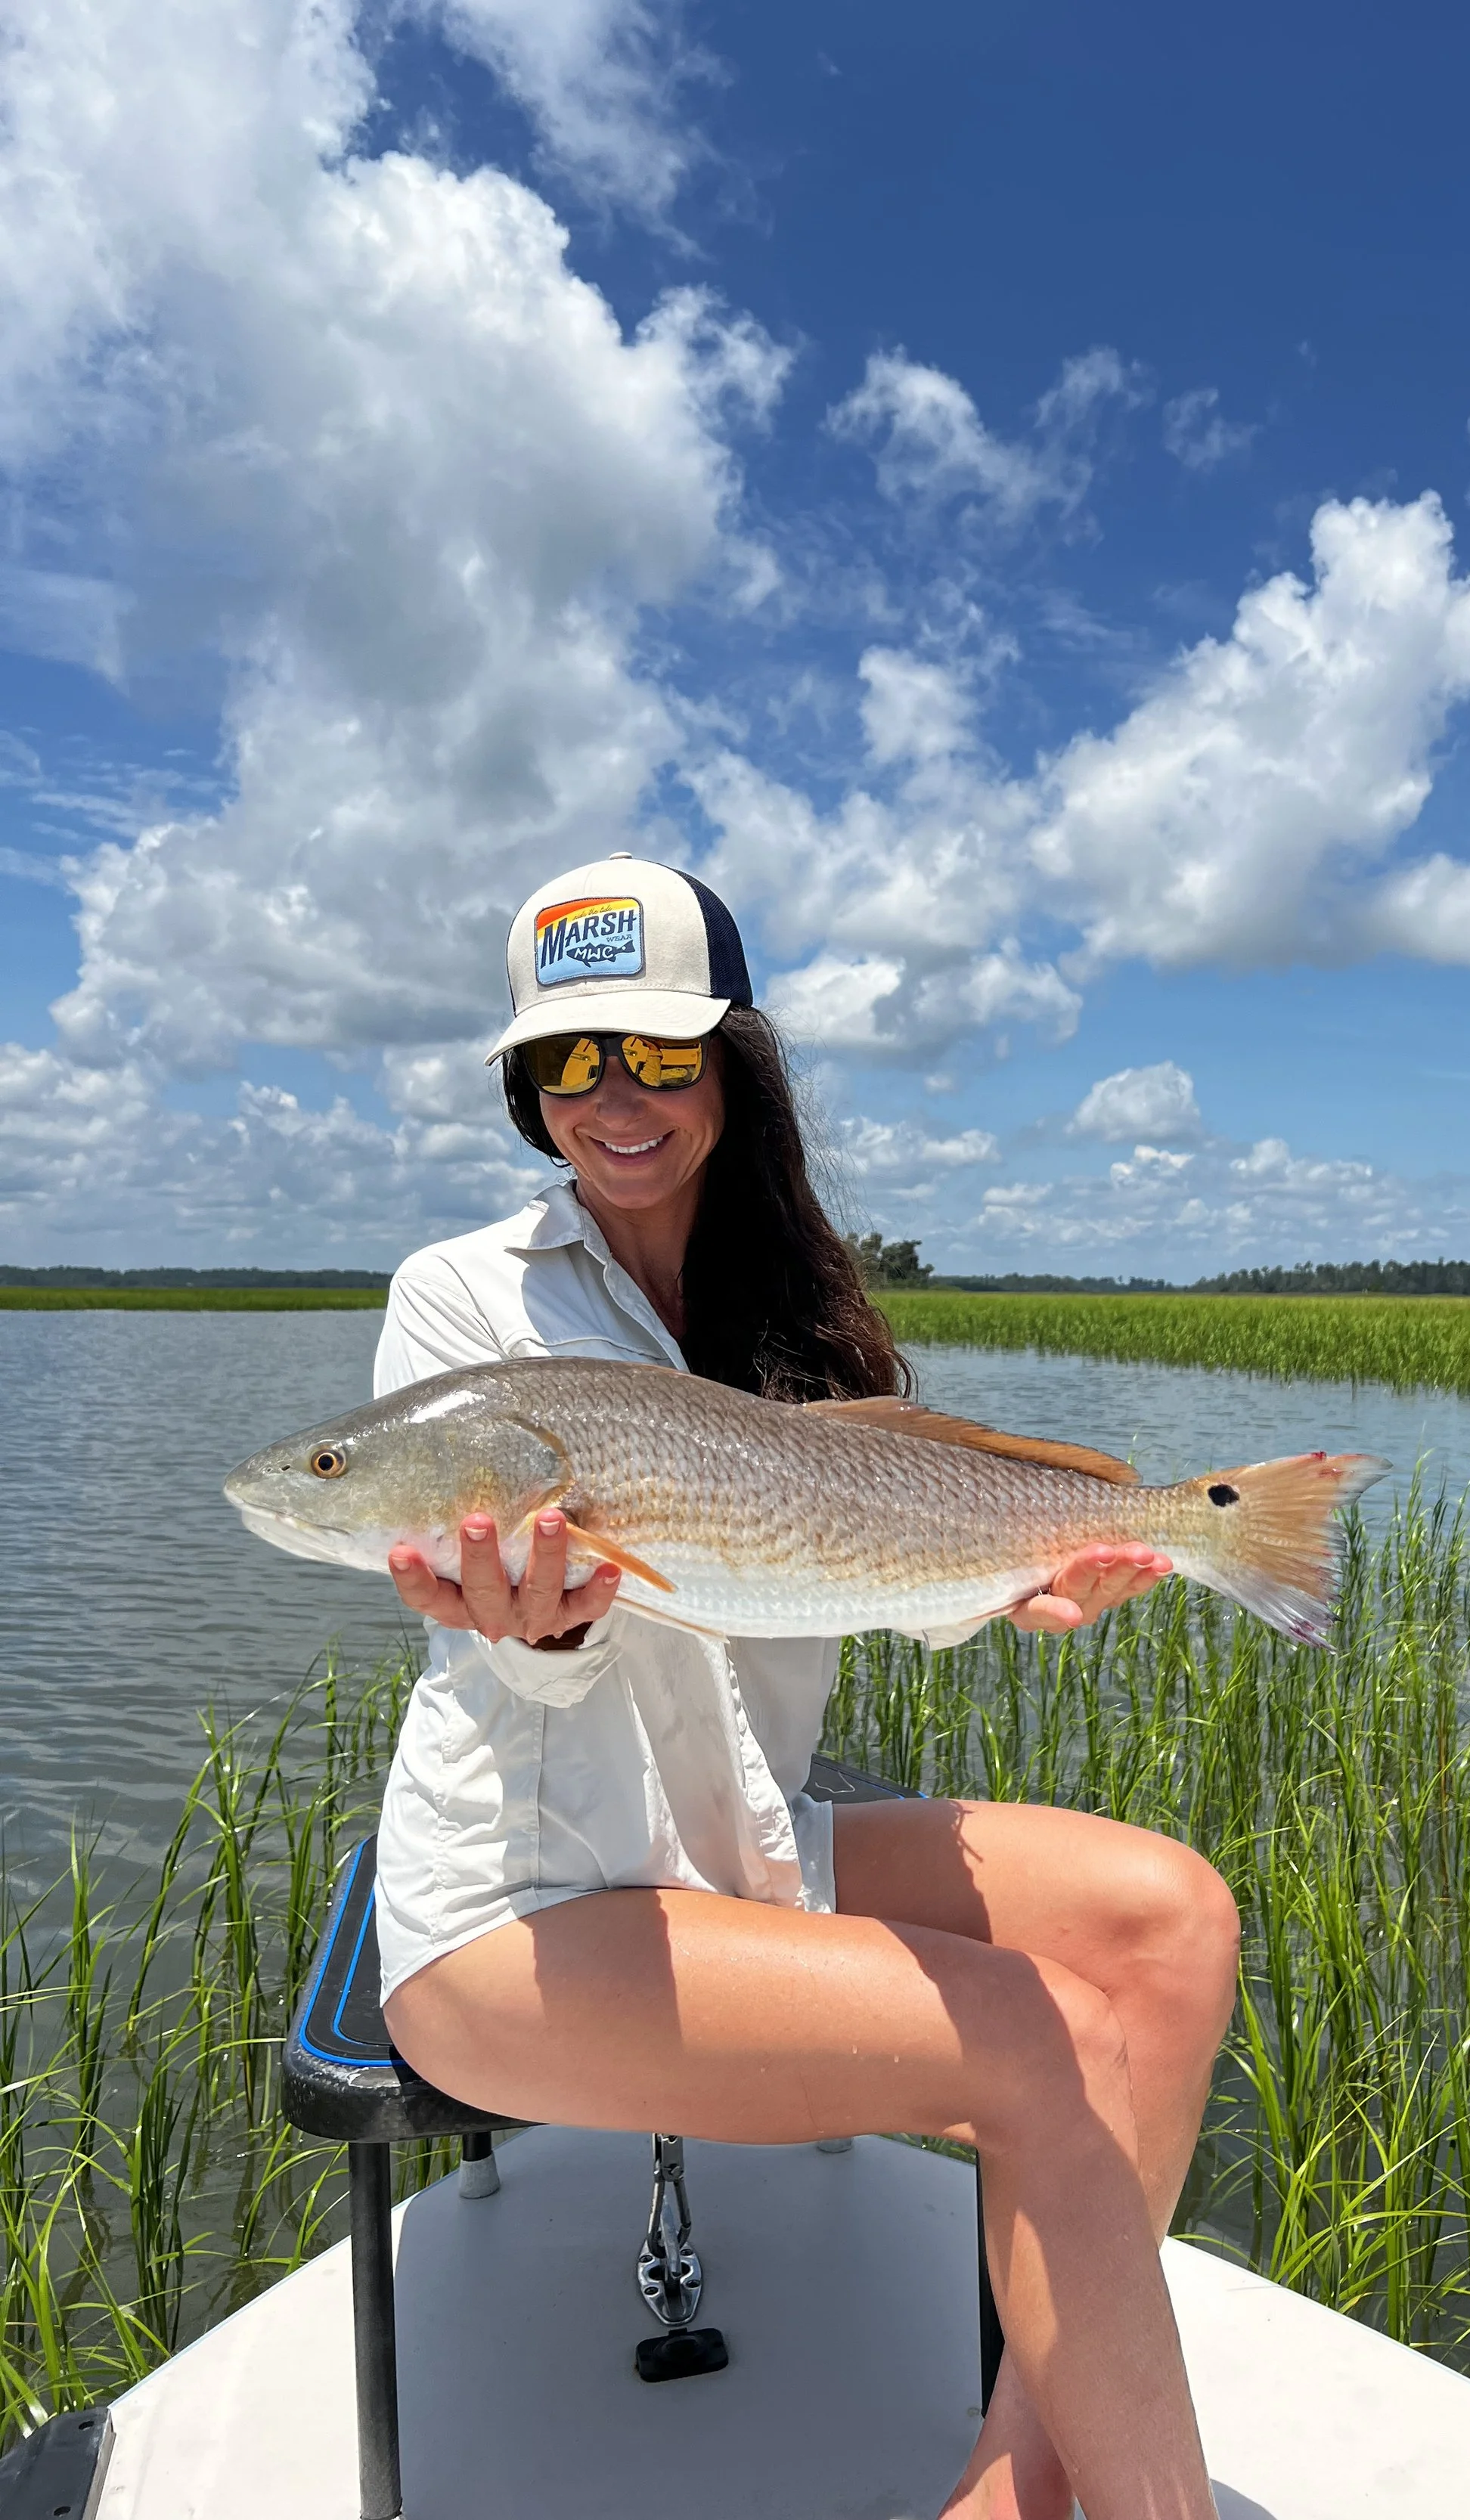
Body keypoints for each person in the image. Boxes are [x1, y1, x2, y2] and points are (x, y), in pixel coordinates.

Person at [376, 854, 1239, 2520]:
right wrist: (537, 1626)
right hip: (524, 1903)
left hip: (740, 1849)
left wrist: (1011, 1588)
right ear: (523, 1085)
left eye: (656, 1052)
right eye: (567, 1059)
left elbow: (844, 1581)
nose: (611, 1097)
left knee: (1171, 1921)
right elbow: (511, 1669)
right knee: (1038, 2035)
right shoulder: (462, 1299)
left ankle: (1009, 2482)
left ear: (732, 1066)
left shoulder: (805, 1320)